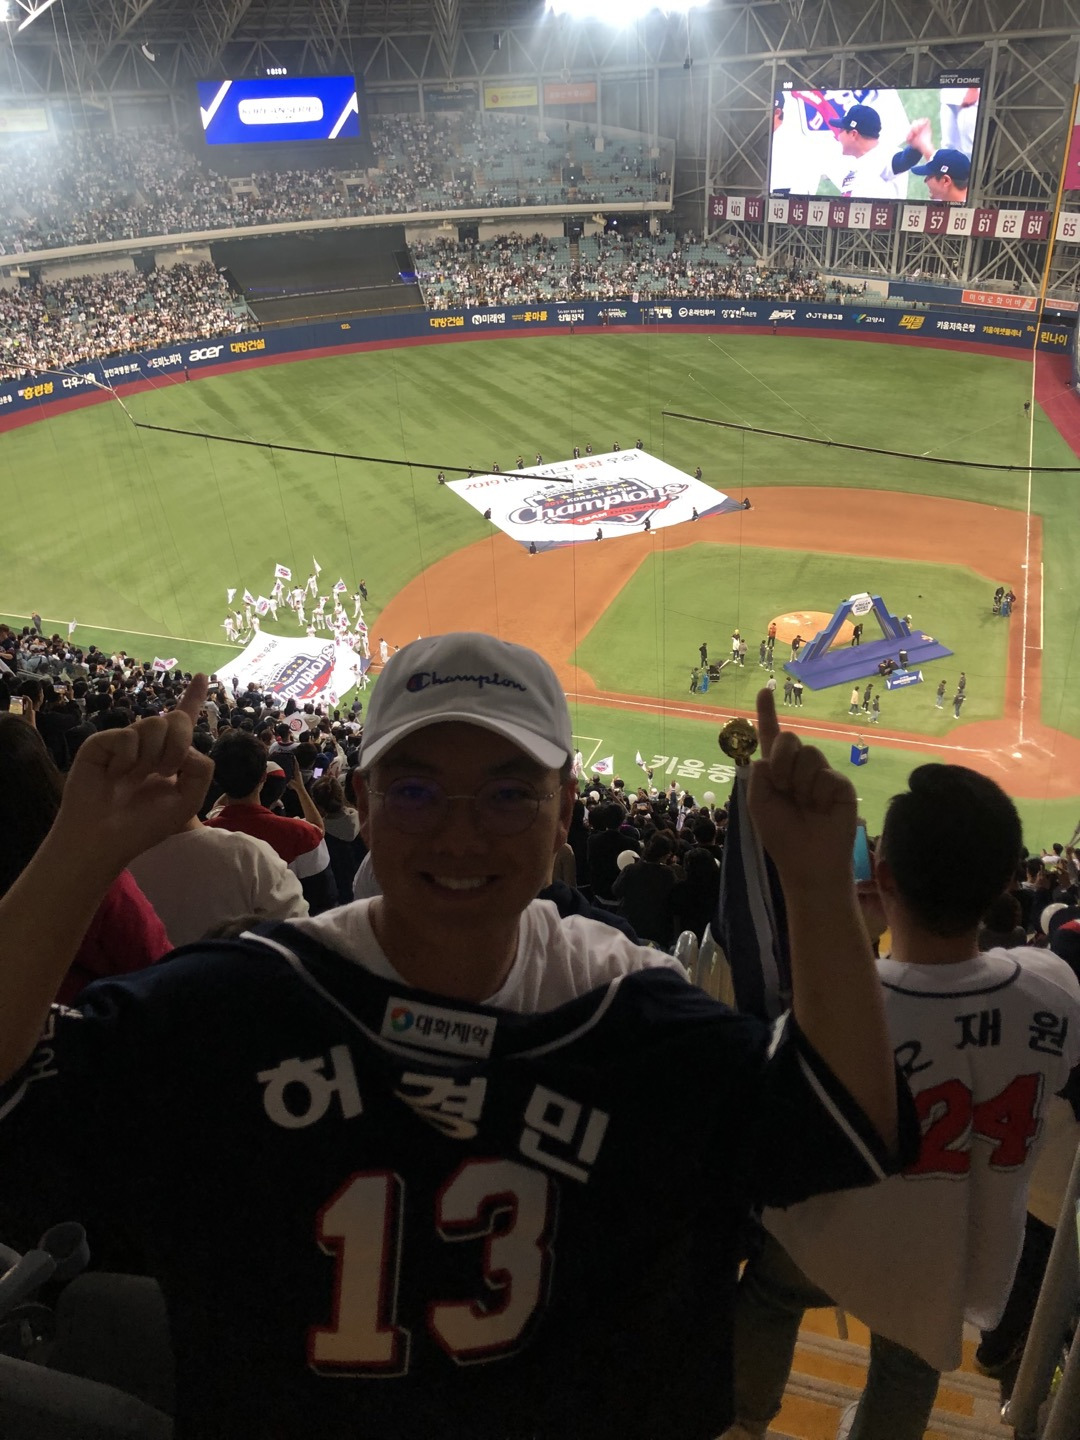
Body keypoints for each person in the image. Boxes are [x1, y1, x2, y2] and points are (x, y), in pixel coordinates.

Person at [0, 635, 911, 1440]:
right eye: (416, 791)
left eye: (509, 794)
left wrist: (816, 886)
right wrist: (83, 844)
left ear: (564, 811)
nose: (461, 834)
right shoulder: (244, 999)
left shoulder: (632, 1008)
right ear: (363, 801)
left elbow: (841, 1134)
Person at [726, 765, 1080, 1440]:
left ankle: (743, 1422)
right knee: (909, 1357)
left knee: (769, 1294)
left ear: (883, 876)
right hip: (946, 1246)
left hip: (831, 1235)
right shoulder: (1054, 987)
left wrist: (859, 935)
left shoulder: (837, 1012)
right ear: (1007, 883)